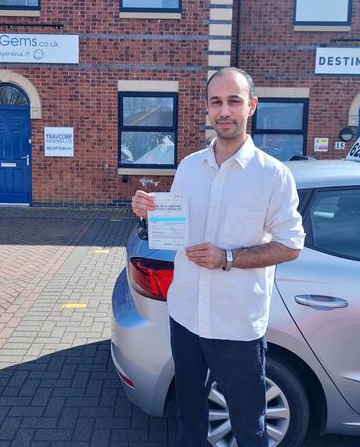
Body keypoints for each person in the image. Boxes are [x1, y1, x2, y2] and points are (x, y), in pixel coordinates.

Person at [131, 67, 305, 447]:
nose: (224, 111)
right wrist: (147, 214)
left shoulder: (273, 176)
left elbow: (291, 245)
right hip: (187, 317)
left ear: (252, 106)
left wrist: (228, 257)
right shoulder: (189, 167)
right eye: (216, 102)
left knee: (249, 425)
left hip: (236, 326)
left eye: (234, 101)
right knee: (189, 417)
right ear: (207, 109)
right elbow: (170, 231)